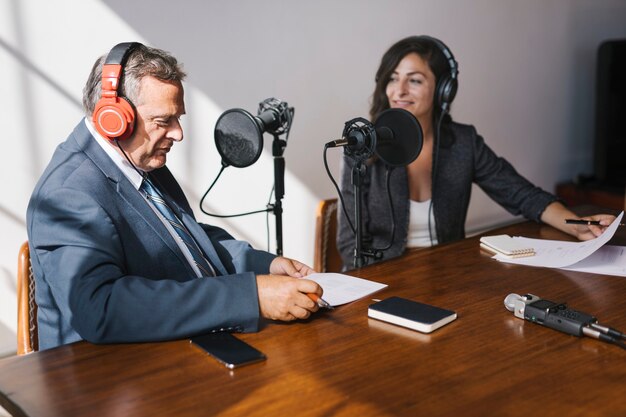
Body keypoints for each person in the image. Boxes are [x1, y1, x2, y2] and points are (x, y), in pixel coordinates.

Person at [26, 42, 323, 350]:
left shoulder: (138, 157)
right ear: (113, 118)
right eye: (163, 121)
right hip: (109, 376)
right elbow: (101, 308)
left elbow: (184, 239)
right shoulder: (68, 194)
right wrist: (251, 296)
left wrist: (265, 265)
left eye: (178, 118)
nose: (178, 133)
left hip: (178, 345)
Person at [337, 35, 617, 270]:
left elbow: (520, 193)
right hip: (385, 281)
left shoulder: (463, 142)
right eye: (392, 79)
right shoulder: (362, 146)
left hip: (449, 276)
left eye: (415, 80)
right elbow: (351, 244)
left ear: (444, 90)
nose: (399, 91)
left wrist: (575, 225)